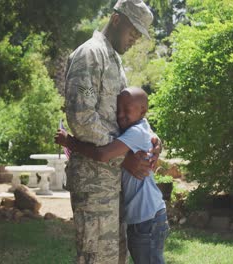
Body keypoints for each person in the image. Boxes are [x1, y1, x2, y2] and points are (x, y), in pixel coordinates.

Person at [64, 0, 158, 263]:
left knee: (116, 256)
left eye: (139, 36)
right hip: (94, 182)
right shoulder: (90, 54)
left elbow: (125, 119)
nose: (135, 40)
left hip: (115, 180)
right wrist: (123, 155)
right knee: (96, 257)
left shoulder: (113, 59)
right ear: (116, 20)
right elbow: (82, 117)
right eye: (133, 32)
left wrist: (150, 139)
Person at [57, 87, 169, 264]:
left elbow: (103, 155)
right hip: (147, 217)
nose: (121, 115)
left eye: (127, 109)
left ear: (142, 111)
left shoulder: (136, 132)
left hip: (147, 219)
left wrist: (69, 142)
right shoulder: (141, 126)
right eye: (119, 109)